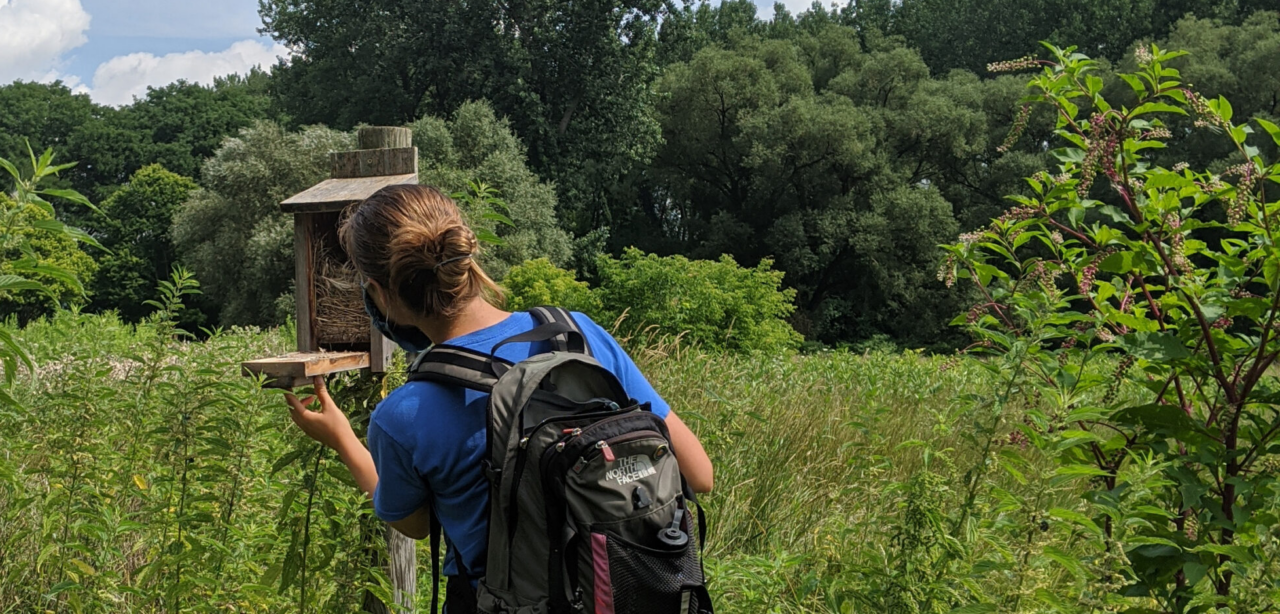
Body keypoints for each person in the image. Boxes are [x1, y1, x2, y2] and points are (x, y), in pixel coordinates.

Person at [283, 184, 714, 612]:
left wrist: (342, 439)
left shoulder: (403, 416)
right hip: (622, 593)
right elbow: (699, 475)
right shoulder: (578, 336)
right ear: (468, 257)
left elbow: (411, 524)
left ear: (379, 292)